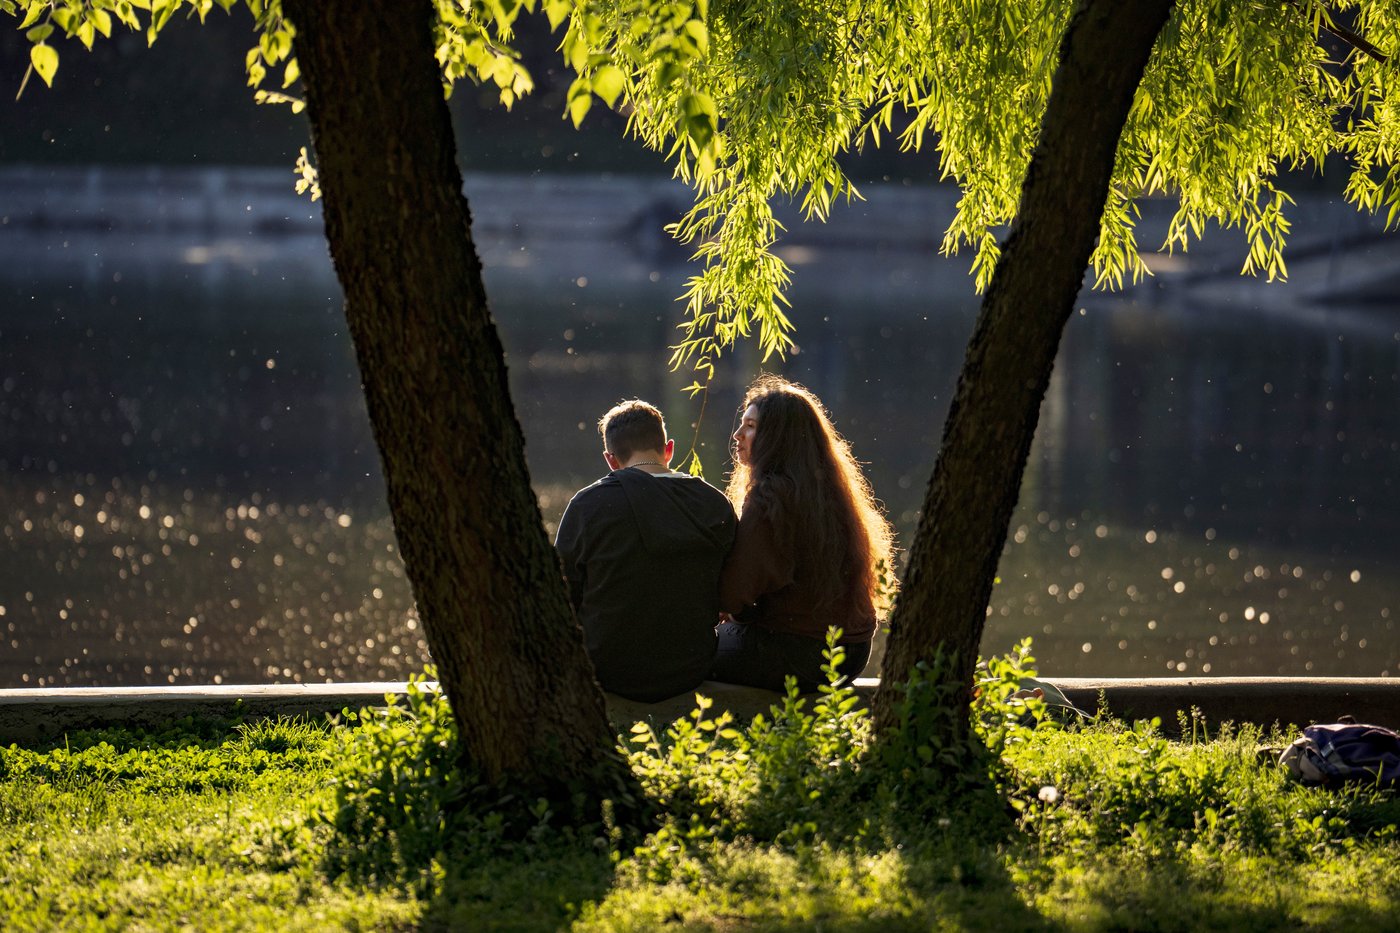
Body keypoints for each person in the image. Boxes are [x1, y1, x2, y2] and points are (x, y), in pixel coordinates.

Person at [712, 375, 896, 692]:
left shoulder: (771, 497)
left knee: (687, 651)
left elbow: (733, 593)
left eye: (751, 427)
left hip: (803, 656)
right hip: (852, 655)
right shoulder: (830, 493)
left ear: (777, 437)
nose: (737, 435)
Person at [555, 399, 736, 702]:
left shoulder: (588, 505)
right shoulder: (714, 503)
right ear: (669, 449)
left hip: (607, 667)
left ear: (611, 460)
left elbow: (561, 594)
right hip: (689, 666)